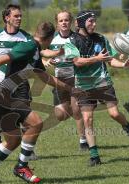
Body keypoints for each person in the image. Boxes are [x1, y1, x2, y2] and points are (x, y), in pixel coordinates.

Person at [0, 21, 75, 184]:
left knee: (13, 140)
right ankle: (22, 167)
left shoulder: (35, 51)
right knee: (36, 123)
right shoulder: (29, 47)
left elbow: (43, 76)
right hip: (0, 94)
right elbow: (2, 59)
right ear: (48, 38)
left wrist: (69, 88)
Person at [65, 11, 129, 166]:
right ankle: (94, 156)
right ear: (81, 23)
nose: (94, 24)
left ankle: (128, 127)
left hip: (103, 83)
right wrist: (96, 59)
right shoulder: (71, 41)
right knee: (87, 119)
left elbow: (111, 61)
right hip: (83, 85)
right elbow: (77, 62)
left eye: (95, 21)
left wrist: (124, 65)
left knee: (114, 114)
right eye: (91, 21)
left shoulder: (101, 39)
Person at [0, 4, 36, 158]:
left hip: (20, 81)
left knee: (25, 116)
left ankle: (27, 150)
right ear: (7, 18)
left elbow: (37, 52)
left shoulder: (26, 37)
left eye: (20, 16)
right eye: (16, 16)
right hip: (0, 79)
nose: (19, 18)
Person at [41, 10, 88, 150]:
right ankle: (83, 112)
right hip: (59, 80)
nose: (64, 23)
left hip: (76, 78)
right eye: (61, 20)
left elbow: (84, 57)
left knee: (76, 108)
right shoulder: (52, 38)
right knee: (60, 114)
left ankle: (83, 141)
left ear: (71, 21)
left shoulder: (77, 38)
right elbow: (41, 51)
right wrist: (45, 60)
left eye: (66, 20)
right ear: (57, 23)